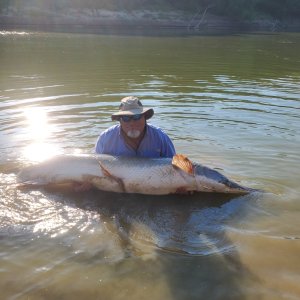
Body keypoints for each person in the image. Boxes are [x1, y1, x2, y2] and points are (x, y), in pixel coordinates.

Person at [95, 96, 175, 158]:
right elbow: (96, 168)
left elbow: (175, 165)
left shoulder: (160, 137)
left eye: (137, 117)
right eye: (126, 118)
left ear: (145, 117)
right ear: (120, 120)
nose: (132, 123)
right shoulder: (105, 138)